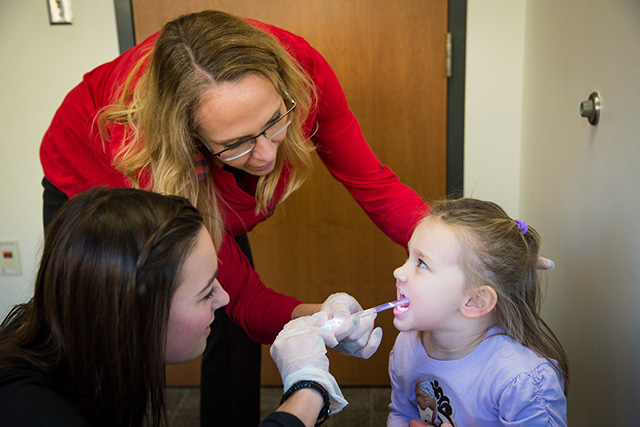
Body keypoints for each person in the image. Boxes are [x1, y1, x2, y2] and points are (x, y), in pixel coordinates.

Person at [39, 9, 426, 426]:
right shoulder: (153, 156)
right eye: (237, 143)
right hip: (94, 177)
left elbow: (374, 184)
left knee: (230, 328)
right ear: (192, 137)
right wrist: (316, 320)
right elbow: (244, 298)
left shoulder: (304, 73)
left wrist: (461, 247)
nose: (267, 156)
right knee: (119, 343)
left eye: (274, 122)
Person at [0, 187, 353, 427]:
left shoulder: (90, 339)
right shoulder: (33, 411)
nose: (224, 298)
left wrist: (316, 315)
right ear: (134, 312)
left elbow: (246, 299)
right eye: (204, 294)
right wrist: (308, 388)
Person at [387, 198, 569, 427]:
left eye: (422, 263)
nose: (398, 272)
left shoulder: (521, 381)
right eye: (408, 257)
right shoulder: (406, 347)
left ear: (474, 301)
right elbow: (401, 413)